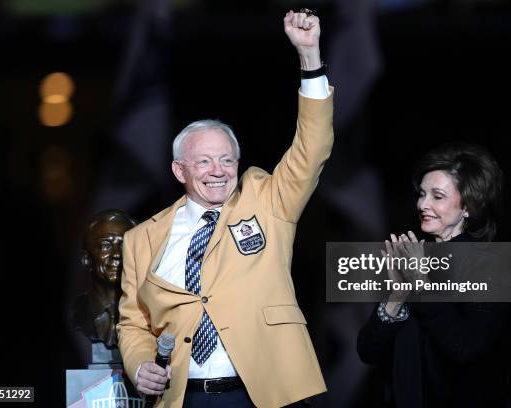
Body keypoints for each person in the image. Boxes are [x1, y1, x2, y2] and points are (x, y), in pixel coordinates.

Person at [117, 9, 332, 408]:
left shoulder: (268, 200)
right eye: (204, 162)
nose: (218, 171)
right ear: (179, 170)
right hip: (184, 397)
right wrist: (140, 362)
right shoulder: (139, 239)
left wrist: (309, 58)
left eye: (227, 160)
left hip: (265, 394)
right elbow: (133, 324)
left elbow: (312, 147)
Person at [357, 143, 510, 407]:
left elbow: (463, 348)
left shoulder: (489, 267)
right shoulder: (412, 256)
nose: (422, 204)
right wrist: (395, 298)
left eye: (437, 196)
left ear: (468, 207)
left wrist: (421, 285)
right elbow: (368, 352)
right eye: (421, 194)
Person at [73, 209, 138, 349]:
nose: (116, 254)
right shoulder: (74, 313)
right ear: (86, 259)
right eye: (106, 245)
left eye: (123, 245)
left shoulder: (150, 313)